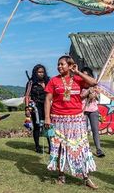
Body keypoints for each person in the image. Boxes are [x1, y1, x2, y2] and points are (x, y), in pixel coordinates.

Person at [45, 55, 98, 189]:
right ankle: (61, 175)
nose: (59, 66)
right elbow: (48, 100)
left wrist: (78, 72)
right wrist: (47, 117)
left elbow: (93, 83)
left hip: (76, 119)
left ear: (70, 66)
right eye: (58, 64)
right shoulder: (53, 81)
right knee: (61, 148)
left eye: (62, 64)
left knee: (80, 147)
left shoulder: (78, 79)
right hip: (58, 119)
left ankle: (86, 177)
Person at [24, 64, 51, 153]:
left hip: (47, 106)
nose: (41, 74)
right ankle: (37, 146)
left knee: (48, 125)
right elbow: (27, 96)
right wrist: (27, 108)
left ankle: (51, 147)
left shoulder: (48, 81)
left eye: (42, 72)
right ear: (35, 73)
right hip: (35, 107)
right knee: (37, 126)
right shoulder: (31, 82)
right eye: (39, 72)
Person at [81, 67, 105, 158]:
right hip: (83, 110)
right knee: (83, 131)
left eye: (87, 75)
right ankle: (85, 150)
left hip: (93, 110)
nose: (85, 76)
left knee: (95, 130)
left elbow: (98, 98)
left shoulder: (94, 85)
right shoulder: (79, 85)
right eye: (84, 74)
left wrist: (95, 94)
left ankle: (99, 150)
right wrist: (87, 92)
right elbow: (80, 97)